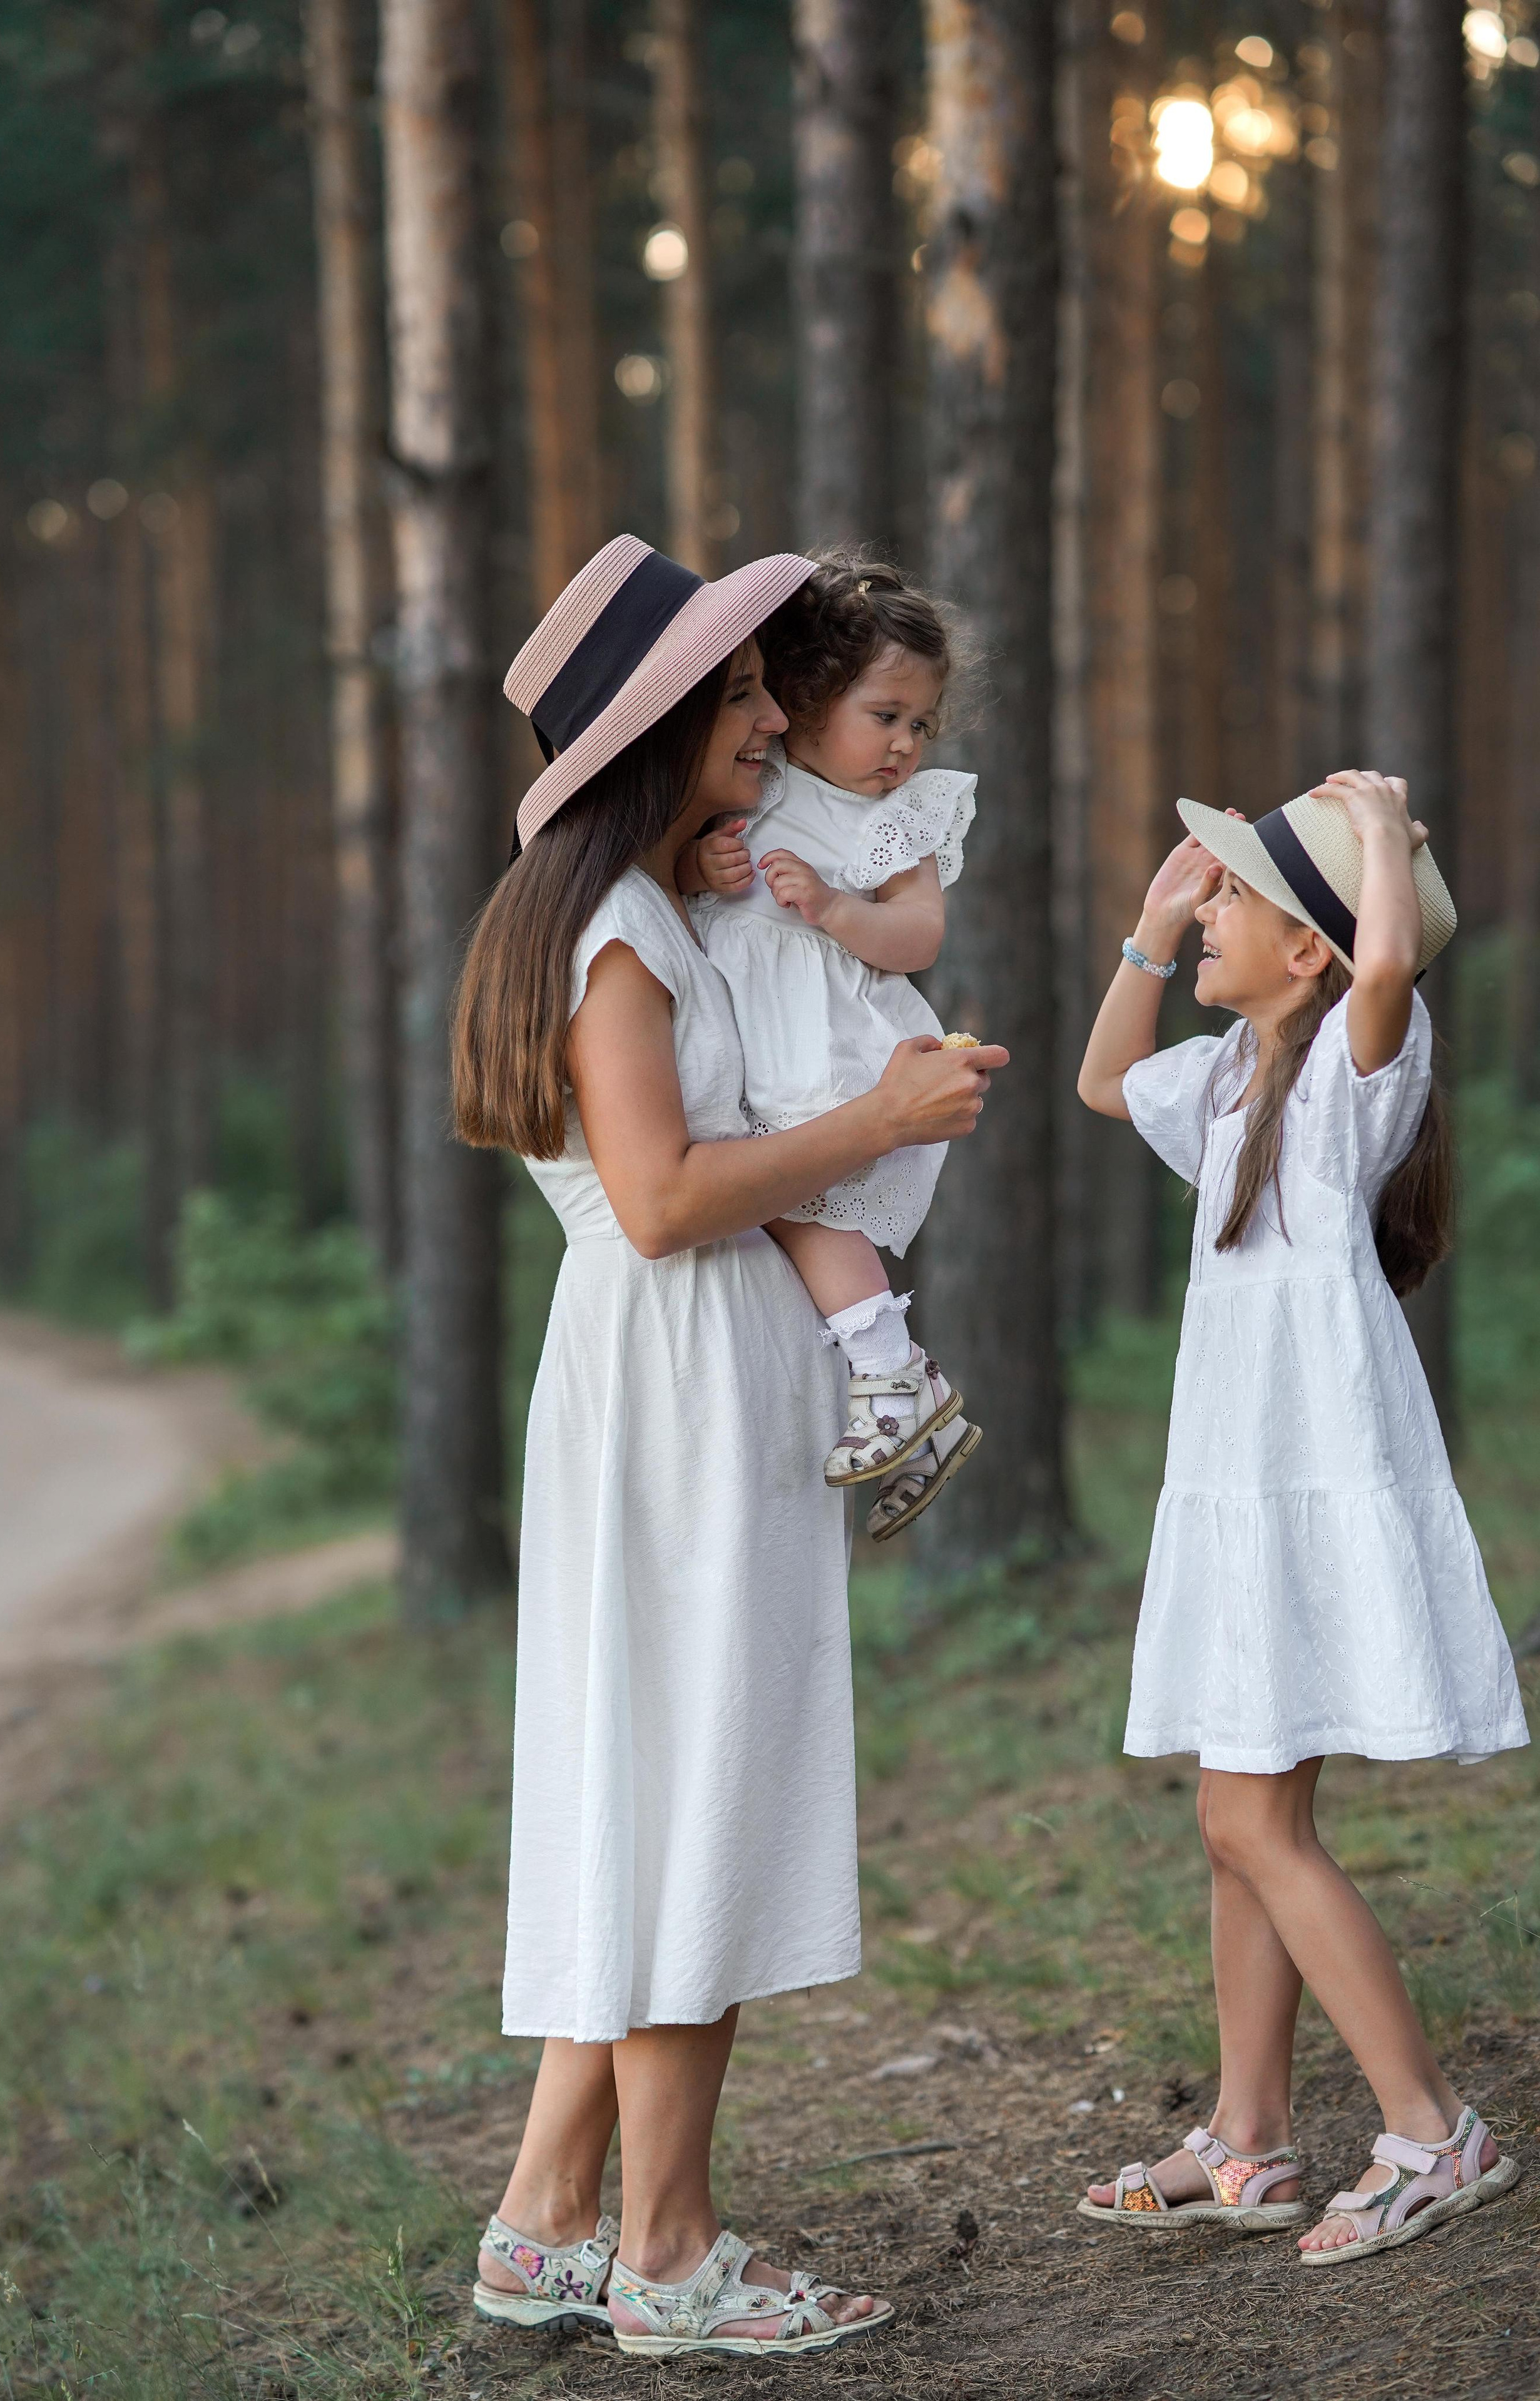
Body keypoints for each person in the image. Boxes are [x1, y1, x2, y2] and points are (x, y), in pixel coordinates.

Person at [449, 536, 1006, 2357]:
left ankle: (549, 2215)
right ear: (663, 723)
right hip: (675, 1380)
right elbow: (663, 1196)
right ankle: (672, 2252)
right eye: (746, 692)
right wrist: (880, 1115)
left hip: (670, 1380)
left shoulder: (643, 907)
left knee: (648, 1779)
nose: (775, 714)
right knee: (695, 1788)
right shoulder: (613, 936)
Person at [1074, 772, 1527, 2263]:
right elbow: (1100, 1080)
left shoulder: (1345, 1074)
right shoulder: (1228, 1077)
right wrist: (1149, 932)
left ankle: (1431, 2129)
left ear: (1308, 951)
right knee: (1234, 1824)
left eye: (1234, 895)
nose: (1208, 903)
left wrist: (1385, 833)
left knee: (1250, 1819)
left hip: (1309, 1480)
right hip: (1240, 1489)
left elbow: (1386, 961)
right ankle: (1247, 2138)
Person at [677, 556, 981, 1541]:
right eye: (884, 715)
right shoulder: (752, 781)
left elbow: (921, 933)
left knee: (804, 1206)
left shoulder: (894, 818)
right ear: (806, 701)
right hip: (754, 1044)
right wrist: (706, 864)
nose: (905, 744)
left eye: (920, 724)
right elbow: (703, 889)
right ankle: (916, 1410)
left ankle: (892, 1371)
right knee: (775, 1213)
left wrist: (838, 909)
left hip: (830, 1047)